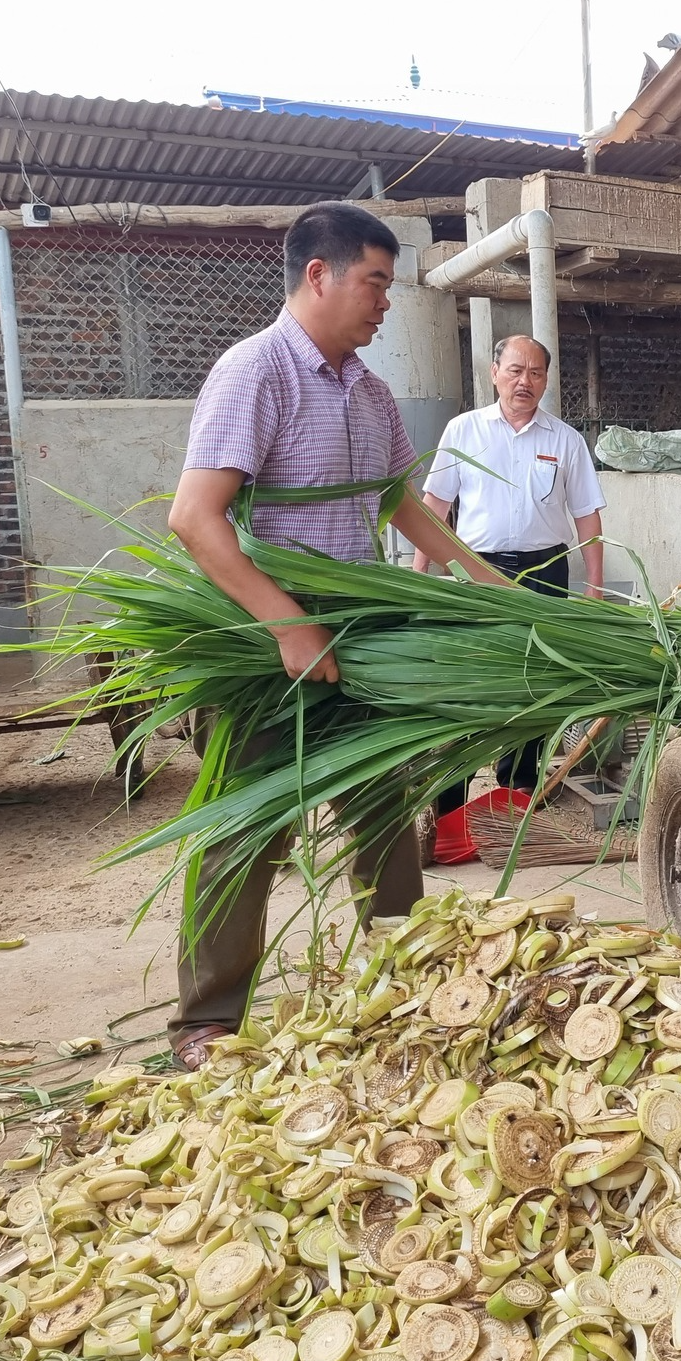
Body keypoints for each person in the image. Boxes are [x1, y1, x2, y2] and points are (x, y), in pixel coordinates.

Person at [166, 200, 502, 1071]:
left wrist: (483, 578)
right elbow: (195, 520)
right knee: (248, 829)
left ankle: (408, 978)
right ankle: (207, 1020)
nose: (385, 302)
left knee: (386, 814)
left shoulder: (369, 390)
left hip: (359, 636)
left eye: (389, 286)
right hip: (269, 639)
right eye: (375, 282)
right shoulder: (255, 373)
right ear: (318, 275)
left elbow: (396, 502)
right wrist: (288, 624)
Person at [414, 334, 606, 800]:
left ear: (545, 381)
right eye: (516, 370)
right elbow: (434, 505)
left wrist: (595, 586)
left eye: (536, 373)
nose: (525, 381)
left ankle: (517, 786)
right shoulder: (463, 431)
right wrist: (420, 578)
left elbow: (587, 515)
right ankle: (450, 797)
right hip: (475, 571)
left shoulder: (566, 440)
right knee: (467, 678)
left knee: (533, 681)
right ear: (494, 372)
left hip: (545, 572)